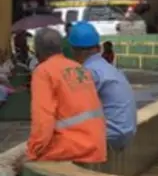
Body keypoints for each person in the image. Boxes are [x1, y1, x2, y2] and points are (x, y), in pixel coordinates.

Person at [26, 28, 106, 163]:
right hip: (97, 146)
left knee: (7, 163)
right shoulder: (79, 68)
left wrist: (32, 153)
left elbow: (43, 121)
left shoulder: (43, 71)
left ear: (37, 50)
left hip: (70, 147)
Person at [68, 22, 137, 150]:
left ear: (74, 50)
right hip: (126, 132)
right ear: (99, 48)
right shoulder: (109, 68)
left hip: (111, 136)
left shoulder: (88, 72)